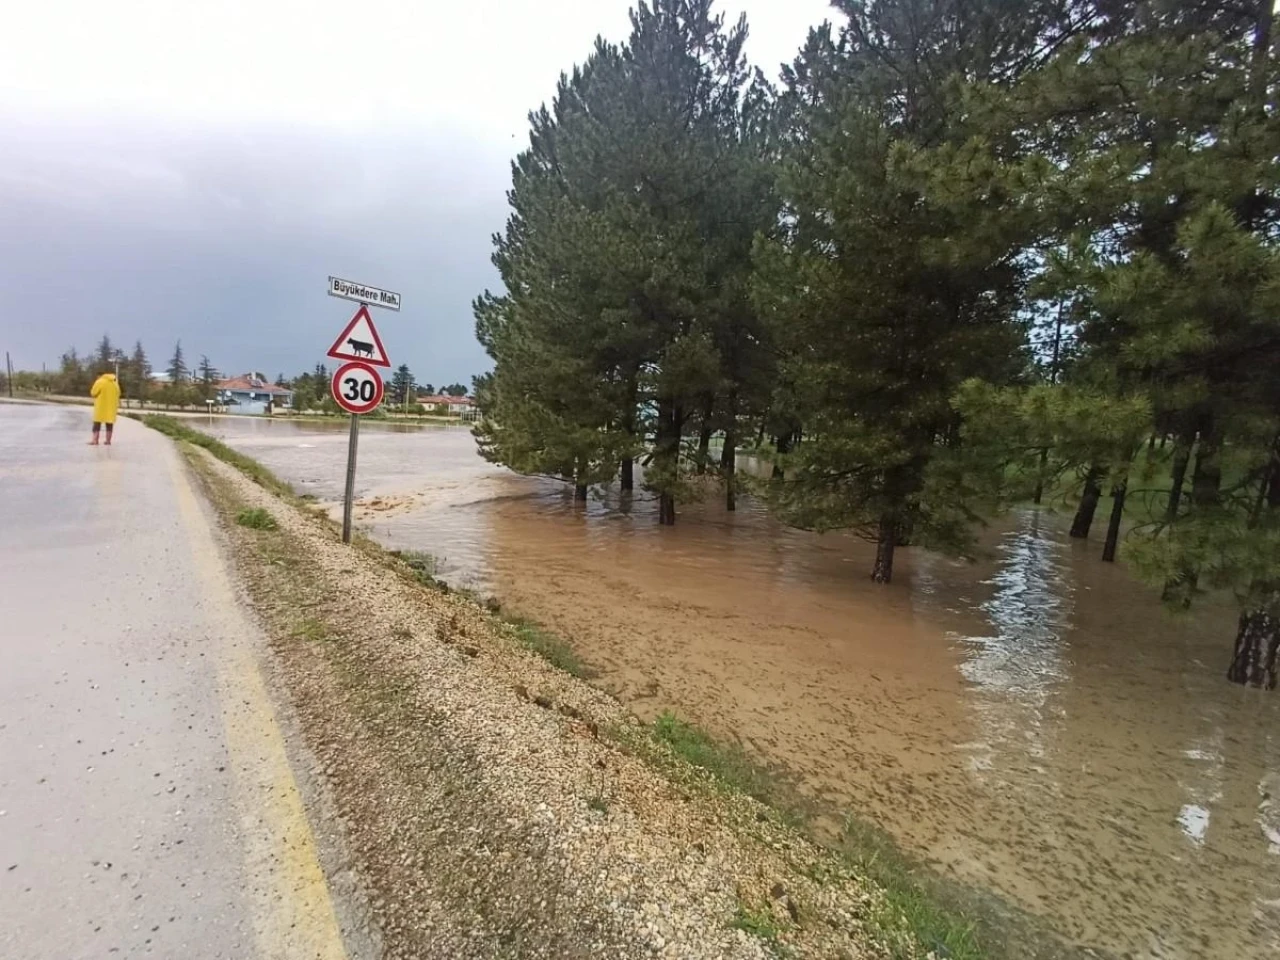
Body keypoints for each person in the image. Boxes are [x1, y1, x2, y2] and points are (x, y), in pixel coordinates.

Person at [89, 371, 121, 445]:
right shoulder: (115, 384)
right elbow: (119, 393)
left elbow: (93, 393)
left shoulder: (99, 382)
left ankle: (95, 440)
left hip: (100, 407)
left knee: (96, 424)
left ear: (99, 376)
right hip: (111, 407)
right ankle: (108, 441)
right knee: (109, 425)